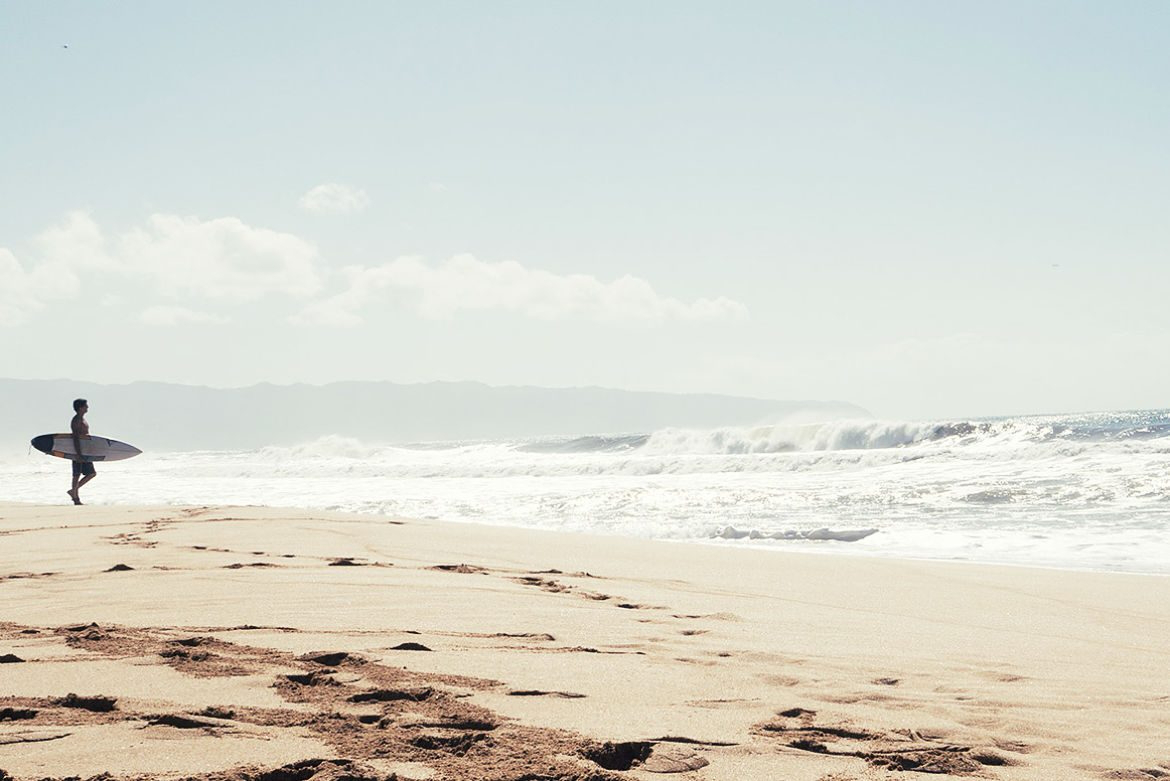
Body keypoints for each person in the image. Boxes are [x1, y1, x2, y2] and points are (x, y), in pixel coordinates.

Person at [68, 398, 95, 505]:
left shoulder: (82, 419)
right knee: (76, 474)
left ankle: (73, 492)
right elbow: (75, 438)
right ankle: (75, 498)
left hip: (85, 451)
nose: (87, 407)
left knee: (91, 473)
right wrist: (78, 454)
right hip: (78, 452)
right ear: (80, 408)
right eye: (86, 405)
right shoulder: (76, 420)